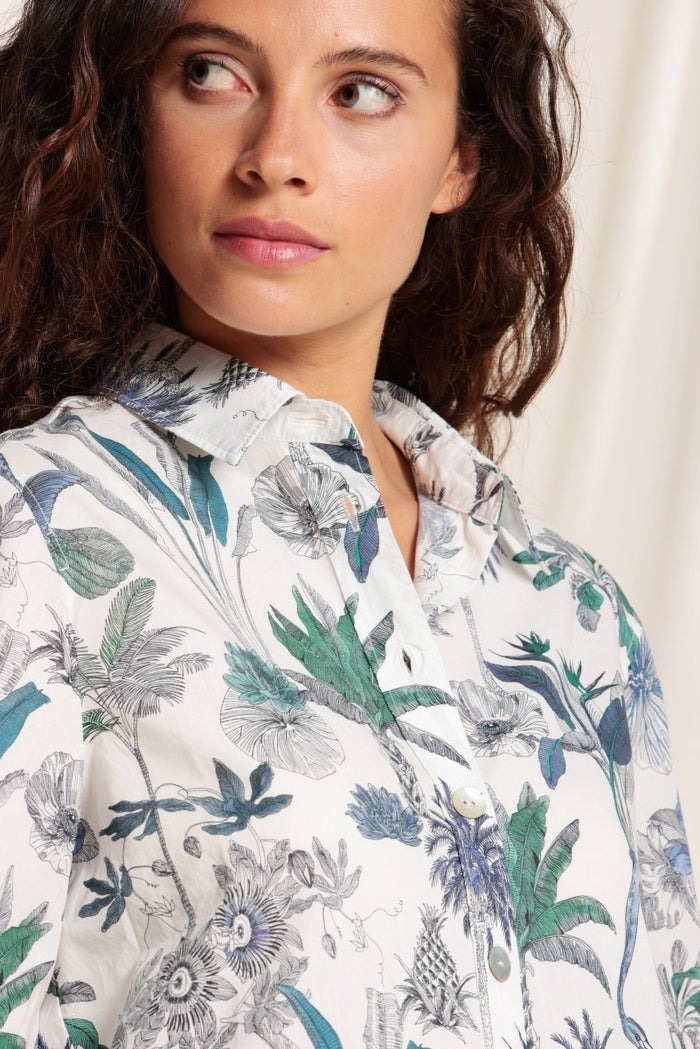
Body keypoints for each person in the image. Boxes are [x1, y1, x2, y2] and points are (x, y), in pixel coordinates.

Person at [0, 0, 697, 1047]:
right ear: (133, 111)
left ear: (460, 158)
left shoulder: (574, 612)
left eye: (361, 93)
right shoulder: (36, 532)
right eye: (211, 73)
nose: (276, 158)